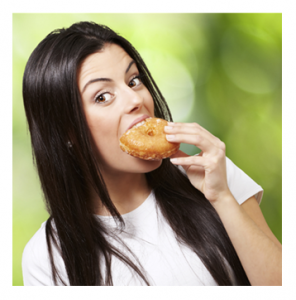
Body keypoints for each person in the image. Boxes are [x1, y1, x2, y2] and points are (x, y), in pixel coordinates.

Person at [21, 21, 282, 286]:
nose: (136, 100)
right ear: (67, 132)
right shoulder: (47, 256)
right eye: (102, 97)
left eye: (133, 81)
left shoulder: (211, 173)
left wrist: (222, 198)